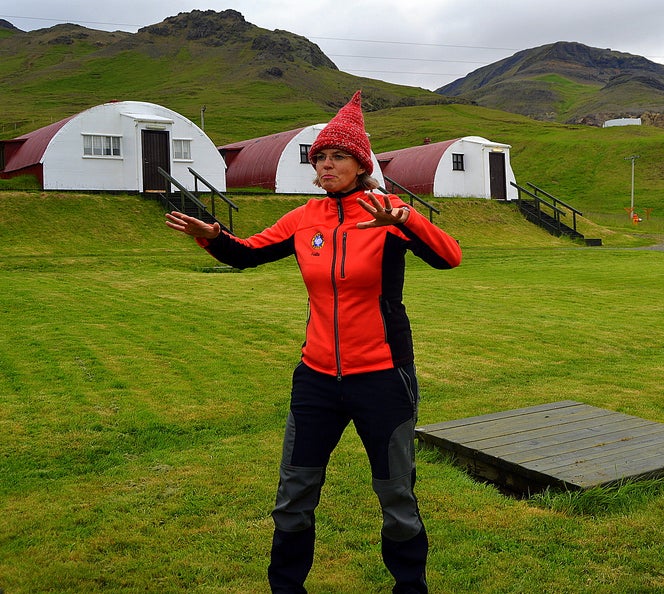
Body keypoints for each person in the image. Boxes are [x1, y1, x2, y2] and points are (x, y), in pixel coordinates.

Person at [165, 90, 462, 593]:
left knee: (396, 496)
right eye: (319, 156)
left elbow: (449, 257)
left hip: (383, 378)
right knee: (294, 494)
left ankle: (410, 588)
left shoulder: (388, 212)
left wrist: (407, 219)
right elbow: (247, 254)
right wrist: (211, 235)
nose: (325, 164)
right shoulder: (305, 218)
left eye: (337, 156)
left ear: (360, 164)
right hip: (317, 379)